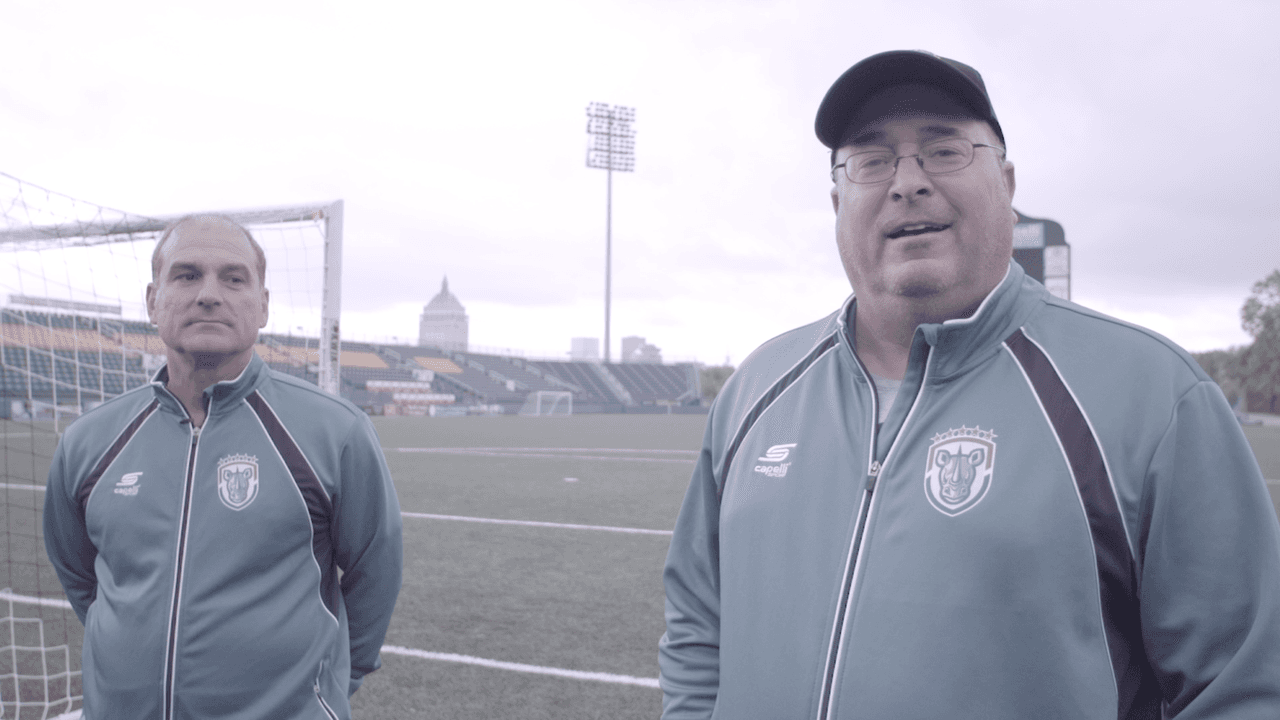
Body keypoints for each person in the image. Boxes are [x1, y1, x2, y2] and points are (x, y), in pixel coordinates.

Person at [659, 50, 1280, 719]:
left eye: (944, 149)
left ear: (1006, 183)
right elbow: (699, 622)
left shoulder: (1153, 396)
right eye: (871, 160)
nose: (907, 183)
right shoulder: (757, 389)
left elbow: (1240, 686)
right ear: (839, 200)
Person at [43, 215, 403, 720]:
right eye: (186, 275)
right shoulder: (88, 440)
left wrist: (336, 680)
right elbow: (80, 575)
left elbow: (375, 571)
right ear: (153, 300)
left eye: (233, 278)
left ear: (262, 305)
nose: (209, 294)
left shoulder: (336, 432)